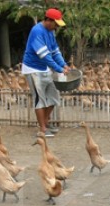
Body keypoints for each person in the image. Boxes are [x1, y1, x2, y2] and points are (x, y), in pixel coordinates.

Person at [21, 8, 70, 137]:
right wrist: (59, 69)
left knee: (54, 97)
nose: (56, 27)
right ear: (48, 20)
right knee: (39, 99)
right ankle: (42, 129)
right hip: (33, 69)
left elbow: (55, 52)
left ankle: (45, 122)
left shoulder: (50, 32)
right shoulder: (37, 31)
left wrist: (64, 64)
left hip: (44, 68)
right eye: (56, 24)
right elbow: (45, 55)